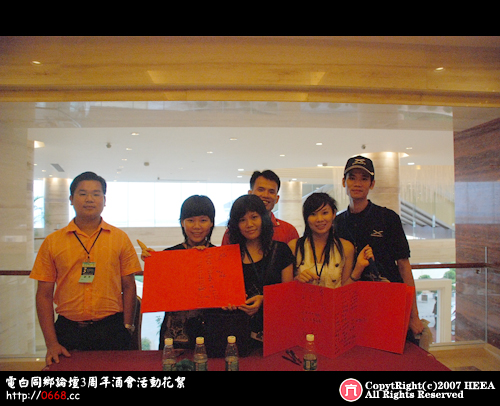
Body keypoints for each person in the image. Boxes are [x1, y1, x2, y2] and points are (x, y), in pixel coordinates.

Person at [30, 172, 141, 366]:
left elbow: (129, 286)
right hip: (68, 331)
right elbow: (44, 295)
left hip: (111, 330)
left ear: (104, 200)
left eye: (96, 194)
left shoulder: (120, 238)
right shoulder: (52, 242)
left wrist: (127, 326)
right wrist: (51, 343)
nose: (89, 199)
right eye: (82, 194)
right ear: (71, 199)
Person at [334, 155, 425, 341]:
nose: (357, 183)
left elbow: (404, 265)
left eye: (364, 178)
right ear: (344, 182)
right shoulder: (337, 223)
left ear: (372, 184)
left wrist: (414, 315)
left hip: (388, 299)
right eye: (352, 178)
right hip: (353, 304)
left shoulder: (388, 218)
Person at [140, 195, 216, 350]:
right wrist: (153, 264)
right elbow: (158, 293)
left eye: (203, 220)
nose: (197, 226)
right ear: (182, 222)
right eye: (190, 220)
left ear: (211, 223)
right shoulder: (170, 255)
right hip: (174, 336)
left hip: (211, 333)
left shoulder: (219, 257)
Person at [225, 194, 294, 337]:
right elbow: (224, 293)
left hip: (274, 330)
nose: (249, 224)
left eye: (254, 217)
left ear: (263, 218)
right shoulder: (230, 255)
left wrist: (264, 299)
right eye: (242, 220)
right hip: (238, 331)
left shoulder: (281, 250)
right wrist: (227, 302)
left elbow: (288, 295)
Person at [288, 193, 373, 288]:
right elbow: (286, 288)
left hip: (335, 297)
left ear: (334, 214)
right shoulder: (294, 246)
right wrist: (297, 281)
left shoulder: (346, 248)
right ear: (306, 218)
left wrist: (358, 268)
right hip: (303, 297)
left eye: (325, 213)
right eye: (313, 214)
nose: (319, 219)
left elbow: (345, 290)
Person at [221, 170, 299, 245]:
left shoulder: (289, 231)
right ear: (250, 194)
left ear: (277, 199)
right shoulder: (233, 232)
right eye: (261, 190)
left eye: (271, 192)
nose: (265, 195)